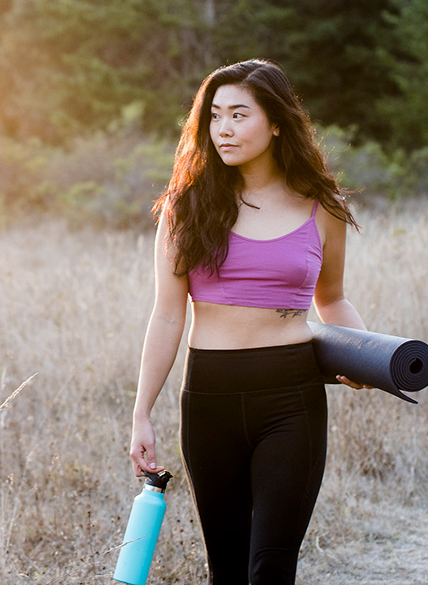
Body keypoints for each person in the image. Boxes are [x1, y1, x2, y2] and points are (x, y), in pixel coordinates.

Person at [128, 58, 371, 585]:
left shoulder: (320, 206)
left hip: (291, 398)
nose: (224, 129)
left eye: (239, 115)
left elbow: (332, 299)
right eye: (215, 117)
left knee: (271, 570)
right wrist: (142, 412)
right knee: (228, 574)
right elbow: (168, 315)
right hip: (209, 399)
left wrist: (367, 354)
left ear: (277, 122)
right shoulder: (185, 207)